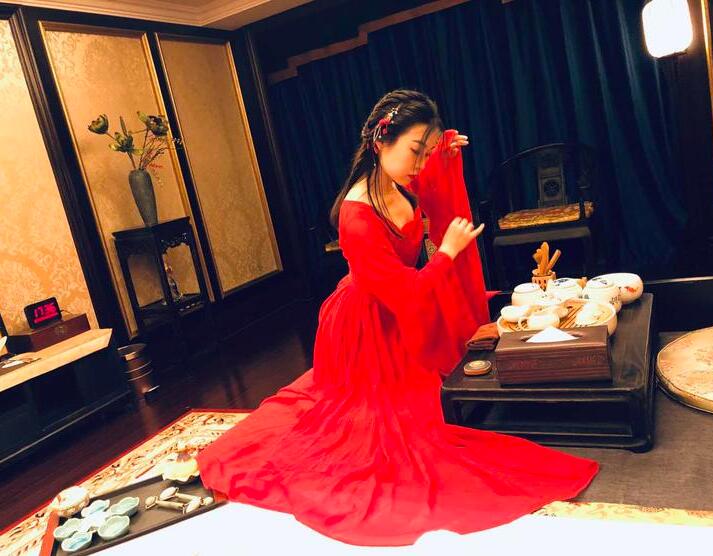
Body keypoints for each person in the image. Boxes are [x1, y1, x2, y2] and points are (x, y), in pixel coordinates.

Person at [197, 89, 598, 546]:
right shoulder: (356, 216)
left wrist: (442, 158)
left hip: (397, 309)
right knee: (389, 434)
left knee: (427, 402)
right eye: (415, 151)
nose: (419, 164)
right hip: (367, 323)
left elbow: (431, 193)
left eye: (425, 153)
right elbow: (406, 293)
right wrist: (446, 253)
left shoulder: (398, 182)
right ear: (380, 142)